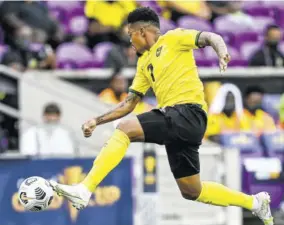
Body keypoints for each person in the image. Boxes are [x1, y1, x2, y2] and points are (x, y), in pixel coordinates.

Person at [50, 7, 273, 225]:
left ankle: (85, 188)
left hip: (188, 112)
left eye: (130, 36)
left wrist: (222, 51)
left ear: (142, 32)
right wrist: (97, 121)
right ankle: (254, 203)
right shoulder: (143, 63)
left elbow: (210, 36)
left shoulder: (174, 38)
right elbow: (129, 104)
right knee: (191, 190)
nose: (130, 41)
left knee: (125, 129)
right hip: (178, 123)